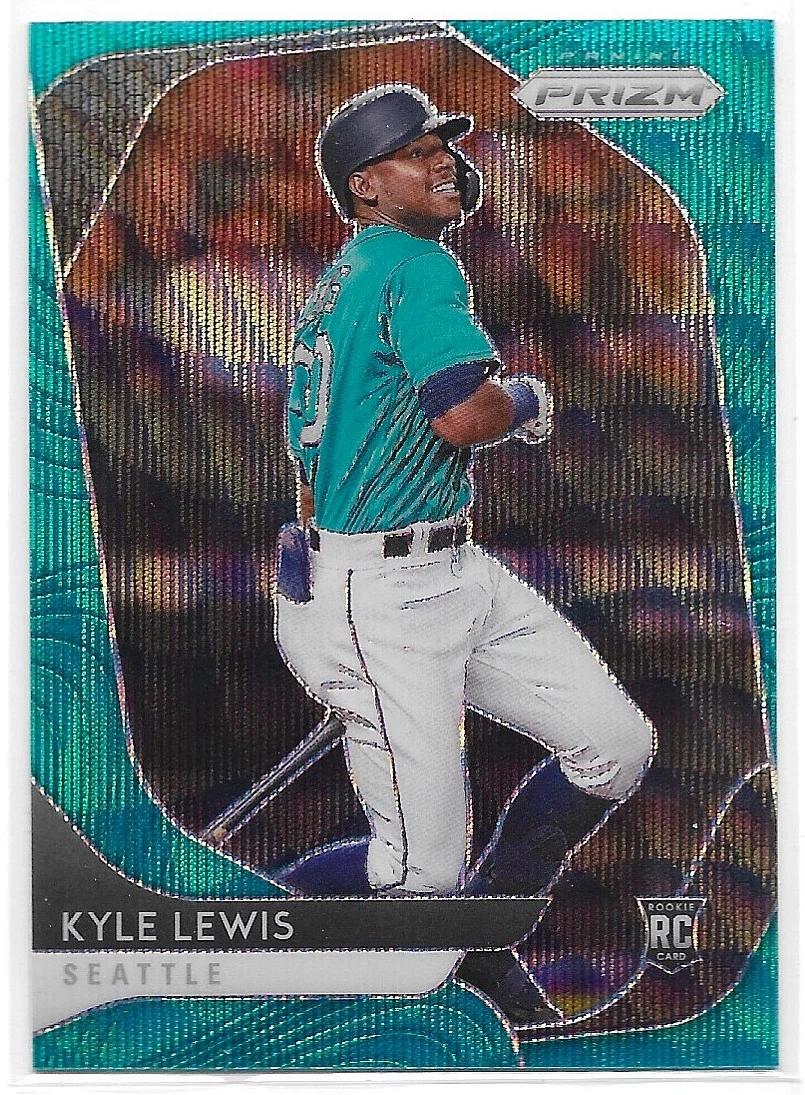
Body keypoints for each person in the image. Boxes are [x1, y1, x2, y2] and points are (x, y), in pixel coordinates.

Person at [275, 85, 655, 1026]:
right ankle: (249, 924)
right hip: (378, 589)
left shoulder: (350, 272)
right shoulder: (415, 265)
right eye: (415, 151)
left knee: (613, 746)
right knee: (420, 879)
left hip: (445, 567)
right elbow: (462, 414)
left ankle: (481, 941)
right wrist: (525, 399)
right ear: (365, 185)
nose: (442, 159)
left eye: (442, 144)